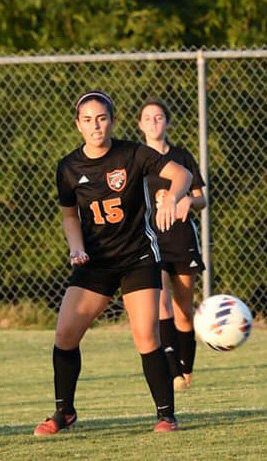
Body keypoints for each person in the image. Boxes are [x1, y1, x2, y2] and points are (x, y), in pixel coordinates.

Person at [34, 90, 193, 436]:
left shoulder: (133, 154)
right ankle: (65, 412)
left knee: (144, 336)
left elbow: (182, 175)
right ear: (78, 125)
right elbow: (69, 217)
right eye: (88, 120)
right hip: (96, 262)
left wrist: (173, 197)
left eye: (102, 118)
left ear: (112, 121)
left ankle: (167, 415)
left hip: (137, 257)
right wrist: (76, 248)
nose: (96, 126)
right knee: (65, 334)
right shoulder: (68, 167)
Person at [138, 98, 206, 391]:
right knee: (162, 305)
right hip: (152, 241)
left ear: (167, 122)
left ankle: (186, 369)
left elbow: (201, 198)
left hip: (181, 240)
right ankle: (172, 373)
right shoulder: (137, 159)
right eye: (148, 118)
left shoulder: (181, 157)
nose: (154, 122)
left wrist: (189, 199)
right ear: (140, 125)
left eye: (159, 117)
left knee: (183, 309)